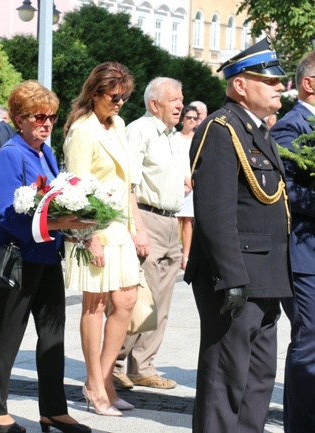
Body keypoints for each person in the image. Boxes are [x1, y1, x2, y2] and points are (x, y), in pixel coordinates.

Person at [186, 37, 292, 433]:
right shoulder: (221, 129)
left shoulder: (258, 132)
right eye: (270, 81)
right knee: (224, 378)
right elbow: (214, 213)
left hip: (264, 276)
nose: (280, 86)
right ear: (240, 85)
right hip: (237, 276)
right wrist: (231, 277)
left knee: (258, 377)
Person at [0, 80, 92, 433]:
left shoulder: (46, 151)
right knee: (10, 334)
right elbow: (6, 216)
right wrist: (60, 222)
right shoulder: (11, 154)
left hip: (47, 253)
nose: (47, 123)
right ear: (18, 119)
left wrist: (75, 227)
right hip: (20, 257)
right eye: (38, 116)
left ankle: (53, 410)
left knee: (53, 333)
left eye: (52, 117)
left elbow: (54, 199)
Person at [63, 62, 140, 417]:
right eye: (114, 96)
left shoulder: (118, 124)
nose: (120, 102)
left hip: (121, 227)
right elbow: (75, 190)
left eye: (125, 96)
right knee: (94, 306)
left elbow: (127, 184)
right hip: (95, 230)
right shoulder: (82, 131)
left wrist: (137, 226)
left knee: (125, 302)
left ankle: (105, 378)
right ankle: (95, 384)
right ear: (95, 93)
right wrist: (89, 237)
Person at [113, 77, 185, 391]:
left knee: (162, 301)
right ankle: (115, 362)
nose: (180, 105)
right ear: (154, 104)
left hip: (171, 221)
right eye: (174, 100)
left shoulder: (171, 136)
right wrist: (136, 229)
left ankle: (144, 365)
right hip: (147, 219)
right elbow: (126, 183)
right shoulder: (139, 131)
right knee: (140, 297)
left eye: (181, 99)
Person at [269, 50, 315, 433]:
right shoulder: (291, 127)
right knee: (309, 343)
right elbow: (290, 194)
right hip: (303, 257)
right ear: (309, 84)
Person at [174, 105, 199, 270]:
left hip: (193, 183)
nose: (191, 121)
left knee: (188, 220)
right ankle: (174, 253)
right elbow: (172, 161)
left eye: (195, 118)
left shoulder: (198, 138)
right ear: (183, 118)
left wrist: (193, 180)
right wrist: (183, 179)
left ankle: (186, 256)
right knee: (176, 219)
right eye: (188, 117)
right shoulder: (174, 137)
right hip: (177, 181)